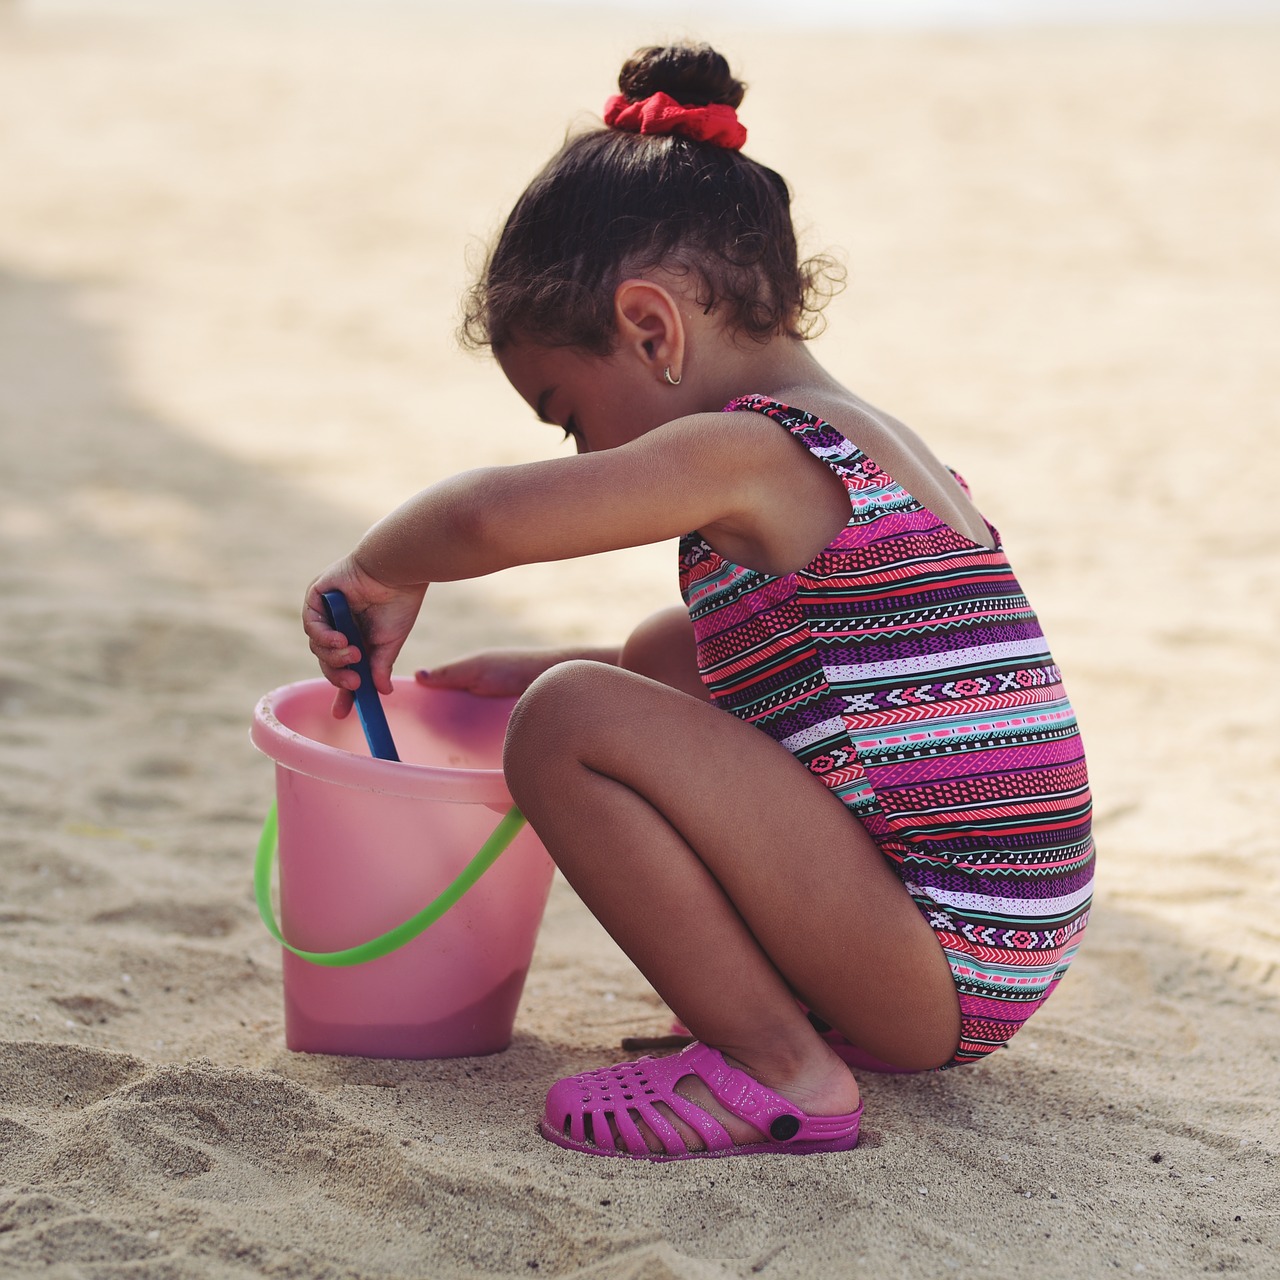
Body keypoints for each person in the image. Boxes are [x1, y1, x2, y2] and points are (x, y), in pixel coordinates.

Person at [303, 42, 1094, 1162]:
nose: (584, 452)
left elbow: (485, 521)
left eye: (567, 415)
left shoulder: (755, 452)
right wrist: (552, 663)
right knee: (664, 649)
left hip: (936, 956)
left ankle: (780, 1065)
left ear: (651, 328)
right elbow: (836, 684)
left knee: (568, 722)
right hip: (982, 936)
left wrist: (379, 568)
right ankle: (796, 1008)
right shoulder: (871, 443)